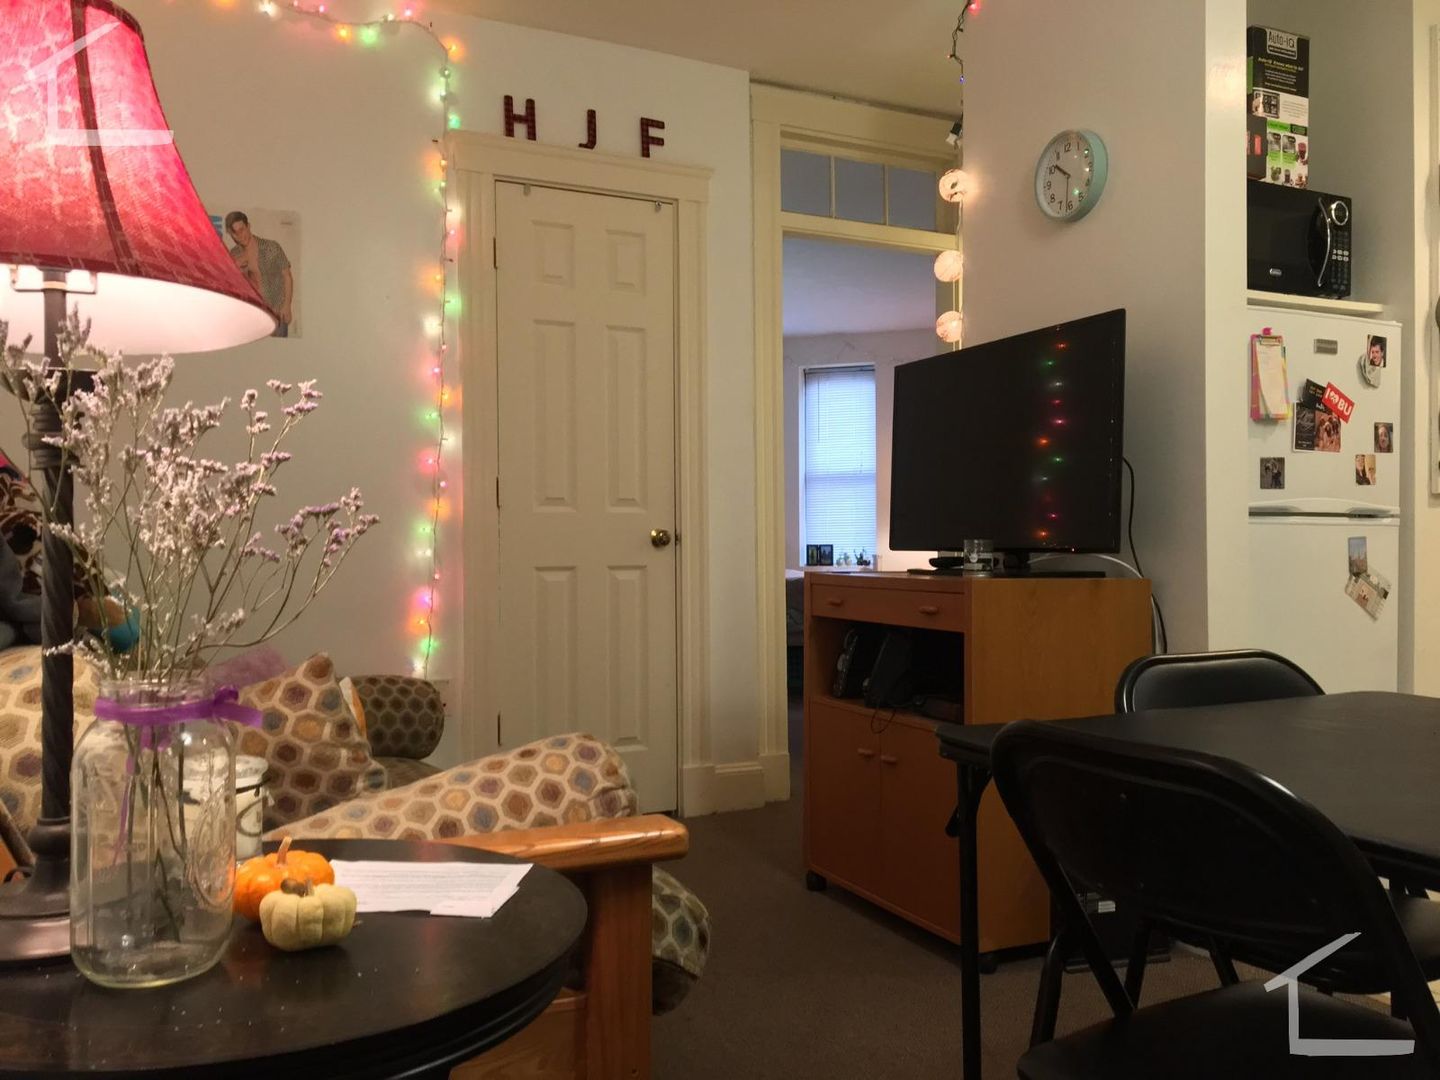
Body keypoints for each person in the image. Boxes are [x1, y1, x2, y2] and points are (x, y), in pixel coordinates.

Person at [225, 211, 294, 338]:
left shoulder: (271, 247)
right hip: (253, 315)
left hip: (277, 311)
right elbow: (231, 288)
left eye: (242, 230)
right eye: (235, 233)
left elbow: (287, 276)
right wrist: (235, 269)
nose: (240, 236)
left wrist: (287, 305)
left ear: (248, 226)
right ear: (231, 234)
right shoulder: (234, 255)